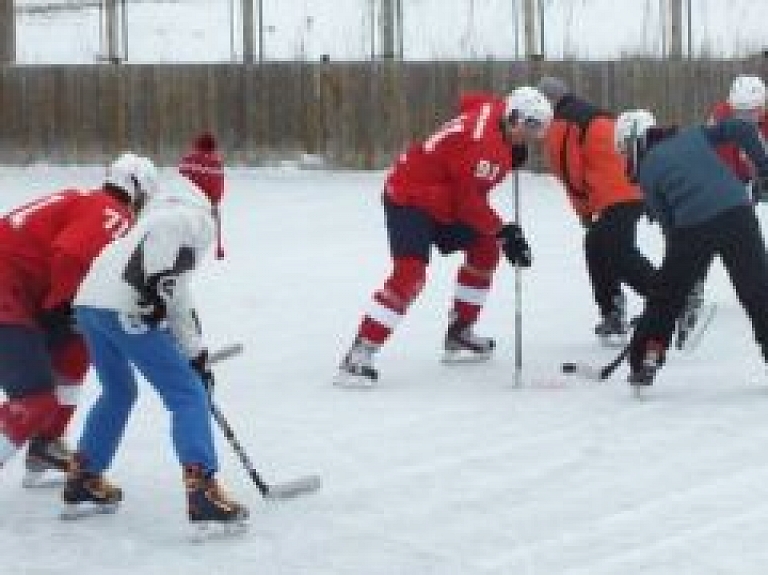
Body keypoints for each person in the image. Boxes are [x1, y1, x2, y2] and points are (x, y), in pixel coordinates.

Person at [61, 133, 248, 528]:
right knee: (187, 393)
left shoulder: (157, 209)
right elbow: (163, 272)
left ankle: (84, 475)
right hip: (124, 306)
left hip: (91, 302)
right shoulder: (191, 217)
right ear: (215, 188)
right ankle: (202, 490)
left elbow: (175, 291)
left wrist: (194, 352)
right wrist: (152, 288)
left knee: (119, 391)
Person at [335, 86, 552, 387]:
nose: (533, 137)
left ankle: (459, 331)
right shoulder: (482, 144)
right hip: (410, 196)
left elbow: (471, 103)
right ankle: (360, 353)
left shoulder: (495, 113)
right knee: (410, 274)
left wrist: (507, 150)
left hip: (442, 197)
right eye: (530, 127)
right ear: (513, 117)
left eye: (539, 130)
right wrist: (504, 231)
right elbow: (468, 203)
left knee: (485, 248)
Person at [0, 153, 156, 486]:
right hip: (8, 293)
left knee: (76, 346)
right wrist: (60, 305)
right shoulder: (114, 213)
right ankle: (42, 432)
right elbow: (70, 256)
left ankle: (46, 444)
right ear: (137, 192)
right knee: (34, 401)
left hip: (18, 292)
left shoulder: (84, 199)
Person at [613, 110, 768, 387]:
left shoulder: (647, 171)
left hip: (693, 228)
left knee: (665, 298)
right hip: (738, 215)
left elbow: (669, 227)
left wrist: (678, 273)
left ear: (634, 142)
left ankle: (647, 357)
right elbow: (742, 129)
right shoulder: (693, 135)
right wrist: (764, 166)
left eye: (625, 150)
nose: (626, 158)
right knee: (758, 292)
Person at [537, 76, 656, 347]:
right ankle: (613, 309)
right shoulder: (592, 113)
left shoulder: (564, 121)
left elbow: (569, 171)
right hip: (630, 189)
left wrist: (583, 210)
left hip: (616, 194)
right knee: (598, 246)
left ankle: (668, 299)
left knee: (618, 253)